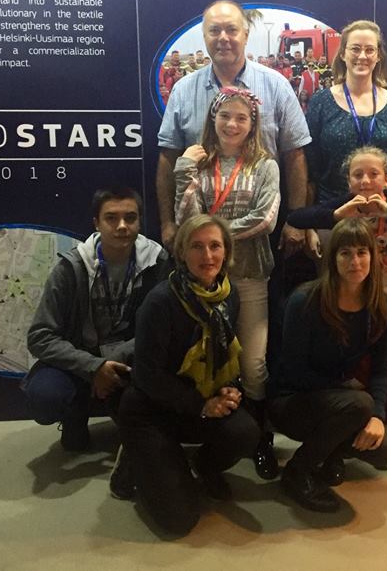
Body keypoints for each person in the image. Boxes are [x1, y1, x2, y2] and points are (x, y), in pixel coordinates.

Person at [115, 215, 260, 535]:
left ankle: (201, 466)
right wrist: (201, 405)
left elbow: (223, 351)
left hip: (198, 399)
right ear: (181, 252)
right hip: (151, 408)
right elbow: (147, 376)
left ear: (226, 252)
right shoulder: (160, 301)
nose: (207, 256)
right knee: (178, 521)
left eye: (215, 246)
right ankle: (136, 458)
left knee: (246, 432)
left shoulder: (229, 294)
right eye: (197, 246)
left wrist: (227, 388)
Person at [287, 145, 387, 430]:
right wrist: (336, 215)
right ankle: (355, 425)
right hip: (356, 300)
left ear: (386, 178)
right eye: (358, 174)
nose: (365, 180)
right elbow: (296, 218)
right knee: (359, 366)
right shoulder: (346, 204)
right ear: (348, 180)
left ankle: (385, 426)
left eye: (373, 174)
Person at [174, 86, 281, 479]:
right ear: (213, 119)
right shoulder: (198, 162)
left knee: (253, 365)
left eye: (241, 118)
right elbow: (186, 223)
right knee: (207, 362)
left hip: (250, 276)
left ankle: (260, 439)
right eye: (224, 116)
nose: (232, 124)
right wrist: (184, 170)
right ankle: (213, 441)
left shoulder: (265, 165)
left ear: (252, 124)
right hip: (206, 279)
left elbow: (265, 219)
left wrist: (213, 235)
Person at [156, 0, 311, 253]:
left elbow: (295, 154)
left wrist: (296, 220)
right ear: (204, 36)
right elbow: (168, 158)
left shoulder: (277, 86)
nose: (223, 38)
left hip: (261, 234)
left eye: (231, 29)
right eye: (214, 30)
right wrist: (167, 223)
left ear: (246, 35)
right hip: (197, 234)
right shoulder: (183, 90)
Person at [267, 218, 387, 512]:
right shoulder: (304, 301)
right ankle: (297, 472)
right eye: (345, 253)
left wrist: (378, 416)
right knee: (358, 405)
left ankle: (330, 454)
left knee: (384, 449)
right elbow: (293, 371)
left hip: (339, 401)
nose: (355, 262)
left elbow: (381, 370)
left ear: (372, 256)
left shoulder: (384, 308)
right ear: (332, 258)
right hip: (291, 400)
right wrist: (347, 390)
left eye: (362, 252)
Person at [23, 187, 168, 451]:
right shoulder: (70, 268)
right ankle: (74, 415)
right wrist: (93, 367)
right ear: (96, 223)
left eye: (130, 218)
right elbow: (40, 336)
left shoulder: (158, 264)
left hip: (132, 359)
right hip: (81, 360)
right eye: (111, 218)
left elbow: (163, 330)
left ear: (140, 222)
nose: (122, 226)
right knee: (46, 396)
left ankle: (133, 419)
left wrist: (112, 364)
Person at [304, 20, 387, 255]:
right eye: (355, 48)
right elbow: (311, 171)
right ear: (343, 53)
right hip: (335, 218)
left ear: (378, 56)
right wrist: (309, 224)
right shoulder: (321, 102)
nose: (362, 56)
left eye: (369, 49)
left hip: (386, 220)